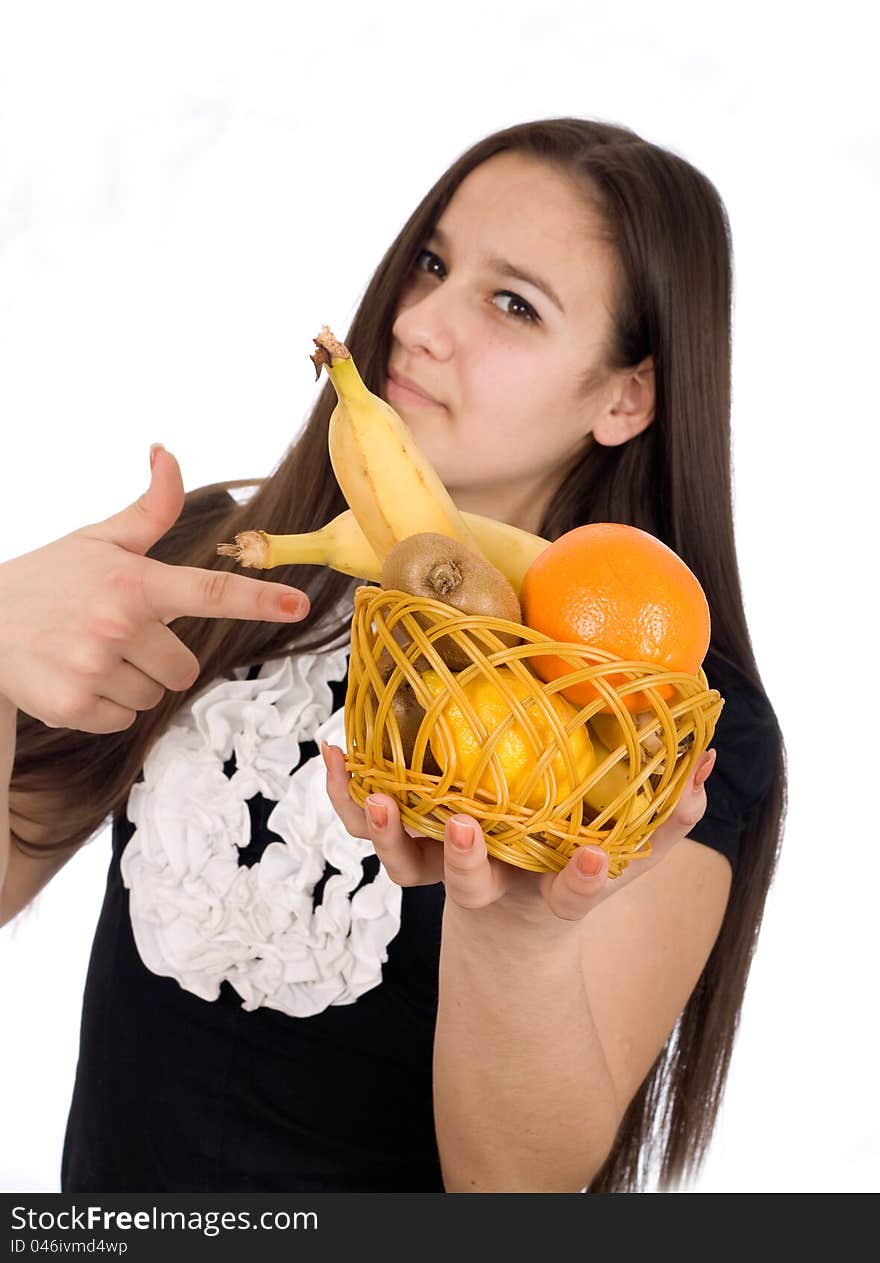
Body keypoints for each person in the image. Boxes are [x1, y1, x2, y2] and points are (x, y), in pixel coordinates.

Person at [0, 117, 785, 1194]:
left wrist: (513, 934)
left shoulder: (662, 718)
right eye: (431, 261)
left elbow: (518, 1192)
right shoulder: (222, 558)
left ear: (624, 397)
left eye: (513, 303)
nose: (417, 322)